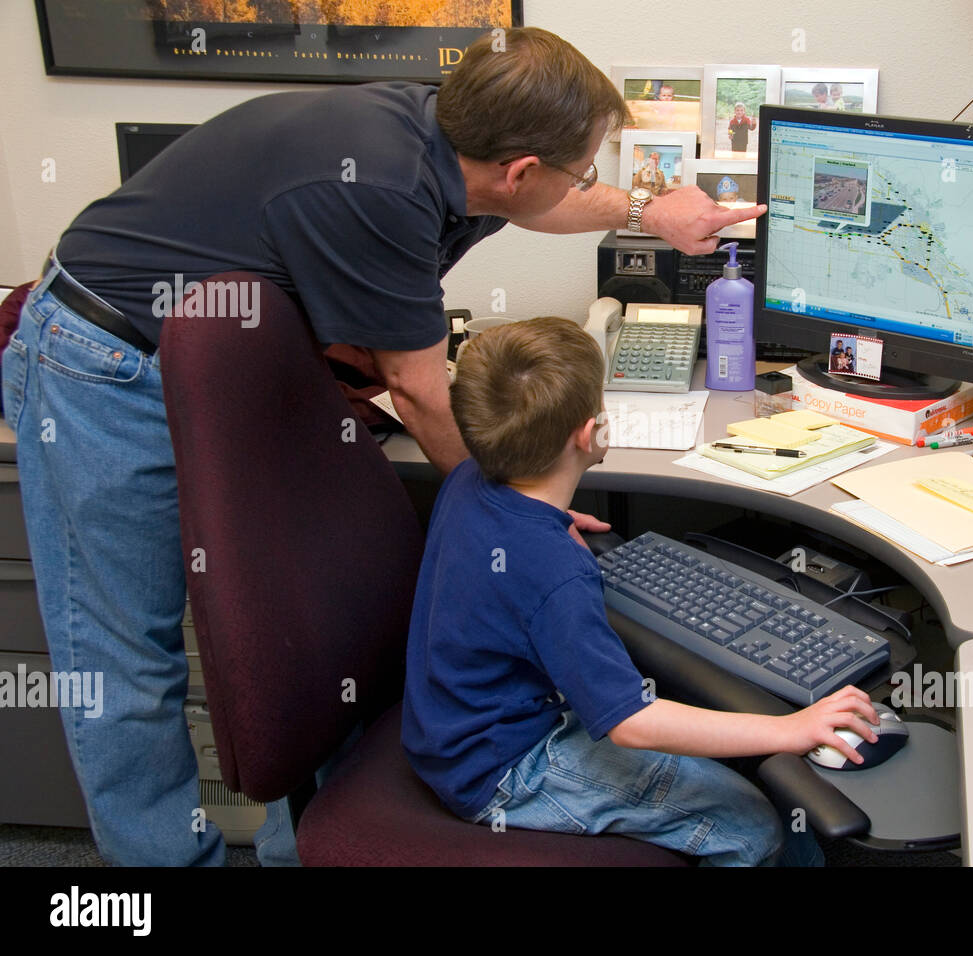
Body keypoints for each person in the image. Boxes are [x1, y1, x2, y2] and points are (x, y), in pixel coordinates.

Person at [0, 26, 761, 867]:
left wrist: (646, 209)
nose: (584, 184)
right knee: (126, 664)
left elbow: (544, 200)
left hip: (227, 362)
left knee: (302, 621)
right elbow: (420, 391)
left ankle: (297, 849)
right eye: (583, 169)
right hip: (101, 359)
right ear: (518, 170)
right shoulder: (384, 195)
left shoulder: (448, 136)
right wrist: (523, 510)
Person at [402, 317, 880, 865]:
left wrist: (553, 522)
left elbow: (504, 542)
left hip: (446, 728)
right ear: (589, 434)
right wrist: (790, 728)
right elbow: (631, 724)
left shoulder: (468, 477)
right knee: (753, 825)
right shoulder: (555, 573)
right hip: (504, 769)